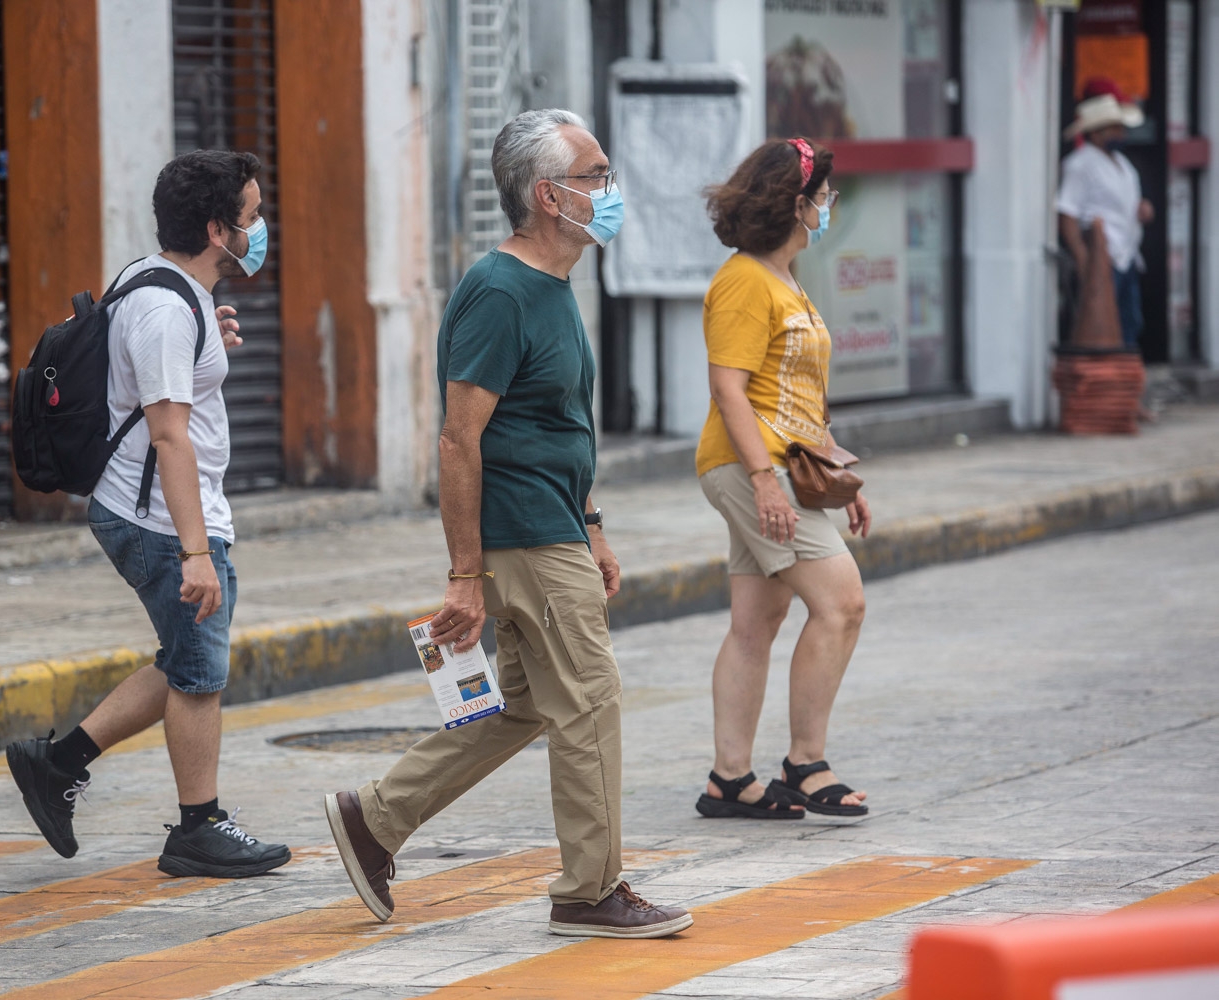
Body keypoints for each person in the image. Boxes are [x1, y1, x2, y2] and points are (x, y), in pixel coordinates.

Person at [323, 109, 692, 940]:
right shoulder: (498, 291)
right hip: (522, 533)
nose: (609, 191)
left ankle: (375, 820)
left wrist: (592, 522)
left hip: (555, 524)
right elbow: (459, 439)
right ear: (547, 195)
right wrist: (466, 573)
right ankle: (589, 890)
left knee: (525, 707)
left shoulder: (554, 286)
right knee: (591, 701)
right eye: (596, 177)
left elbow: (559, 423)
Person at [5, 150, 290, 879]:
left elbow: (147, 386)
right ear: (216, 227)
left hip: (160, 512)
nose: (260, 230)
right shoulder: (166, 307)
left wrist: (207, 346)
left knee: (186, 660)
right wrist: (196, 552)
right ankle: (199, 827)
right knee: (201, 672)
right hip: (160, 519)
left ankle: (57, 763)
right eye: (251, 218)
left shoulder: (160, 282)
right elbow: (166, 434)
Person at [692, 137, 871, 822]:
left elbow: (795, 392)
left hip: (784, 468)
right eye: (822, 195)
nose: (828, 206)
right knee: (842, 603)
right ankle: (805, 762)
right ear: (797, 203)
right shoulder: (743, 280)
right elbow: (730, 389)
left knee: (755, 621)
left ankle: (730, 781)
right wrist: (765, 481)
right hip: (748, 466)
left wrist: (840, 476)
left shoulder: (783, 277)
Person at [1057, 81, 1153, 352]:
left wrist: (1143, 209)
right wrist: (1084, 259)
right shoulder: (1080, 164)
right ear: (1097, 132)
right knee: (1101, 330)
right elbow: (1068, 213)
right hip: (1103, 258)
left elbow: (1128, 202)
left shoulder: (1123, 164)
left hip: (1127, 256)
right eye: (1114, 127)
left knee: (1129, 324)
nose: (1120, 133)